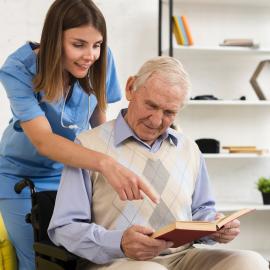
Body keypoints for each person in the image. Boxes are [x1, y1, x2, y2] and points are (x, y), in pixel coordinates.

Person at [48, 56, 269, 270]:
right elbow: (65, 228)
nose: (156, 120)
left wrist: (216, 226)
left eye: (169, 112)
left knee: (251, 262)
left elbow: (202, 211)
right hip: (117, 261)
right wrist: (120, 242)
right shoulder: (88, 146)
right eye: (151, 106)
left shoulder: (189, 148)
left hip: (183, 257)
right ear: (131, 88)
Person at [0, 1, 158, 270]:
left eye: (96, 44)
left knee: (83, 256)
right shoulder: (19, 69)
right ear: (54, 40)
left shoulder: (102, 60)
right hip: (21, 178)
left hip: (73, 173)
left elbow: (99, 123)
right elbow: (44, 141)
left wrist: (119, 164)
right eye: (79, 44)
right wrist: (104, 163)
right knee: (39, 261)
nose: (90, 55)